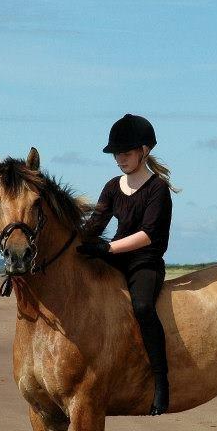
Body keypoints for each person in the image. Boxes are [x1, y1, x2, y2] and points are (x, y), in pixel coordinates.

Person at [78, 114, 179, 415]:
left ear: (144, 151)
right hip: (114, 259)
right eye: (116, 154)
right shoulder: (112, 186)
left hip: (144, 263)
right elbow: (95, 225)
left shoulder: (157, 189)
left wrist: (107, 248)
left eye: (125, 152)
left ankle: (161, 381)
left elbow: (147, 236)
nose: (119, 158)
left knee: (144, 307)